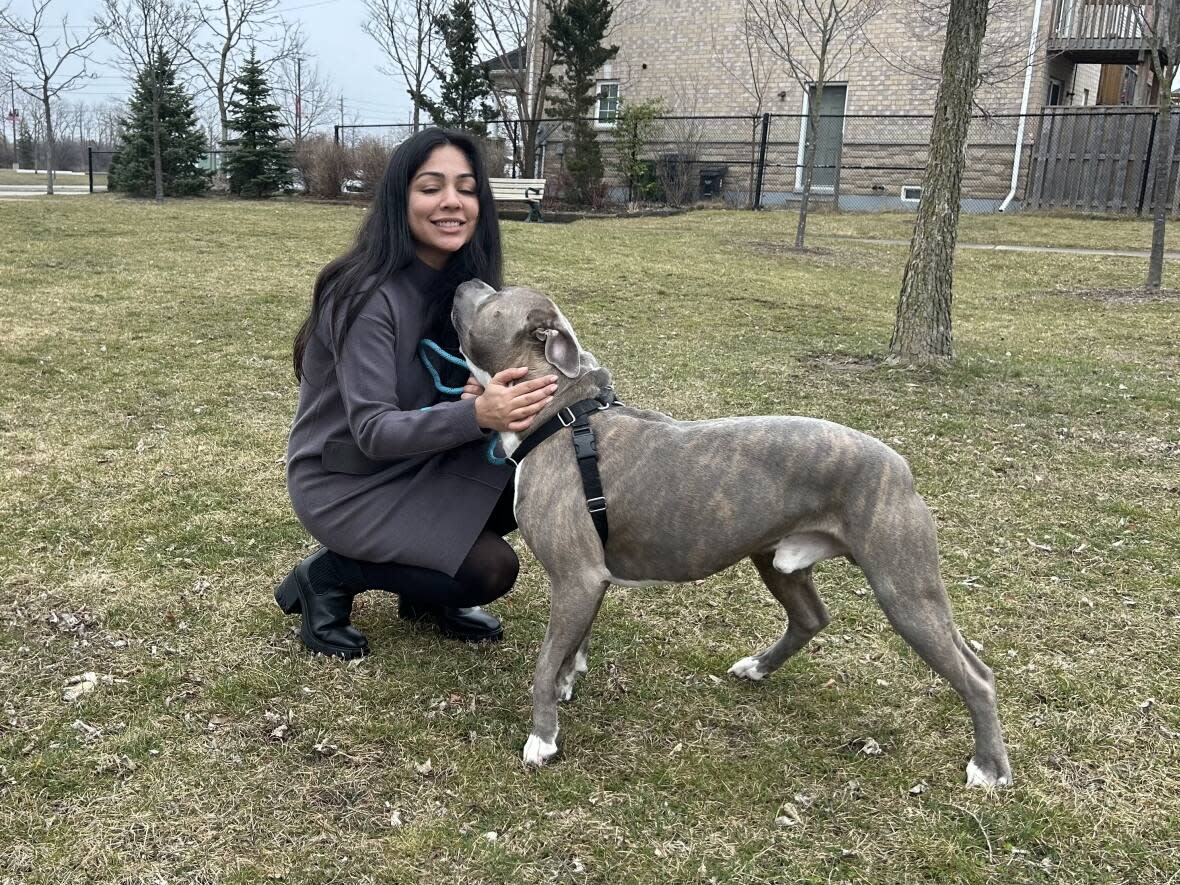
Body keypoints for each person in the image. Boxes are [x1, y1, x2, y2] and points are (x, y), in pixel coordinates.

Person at [276, 128, 558, 658]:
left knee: (533, 480)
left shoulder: (461, 286)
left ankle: (422, 591)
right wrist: (475, 413)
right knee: (490, 569)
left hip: (417, 462)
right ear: (399, 198)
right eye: (431, 187)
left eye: (467, 188)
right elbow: (373, 431)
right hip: (348, 479)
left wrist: (474, 396)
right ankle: (329, 575)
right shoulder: (362, 295)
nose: (452, 202)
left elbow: (438, 394)